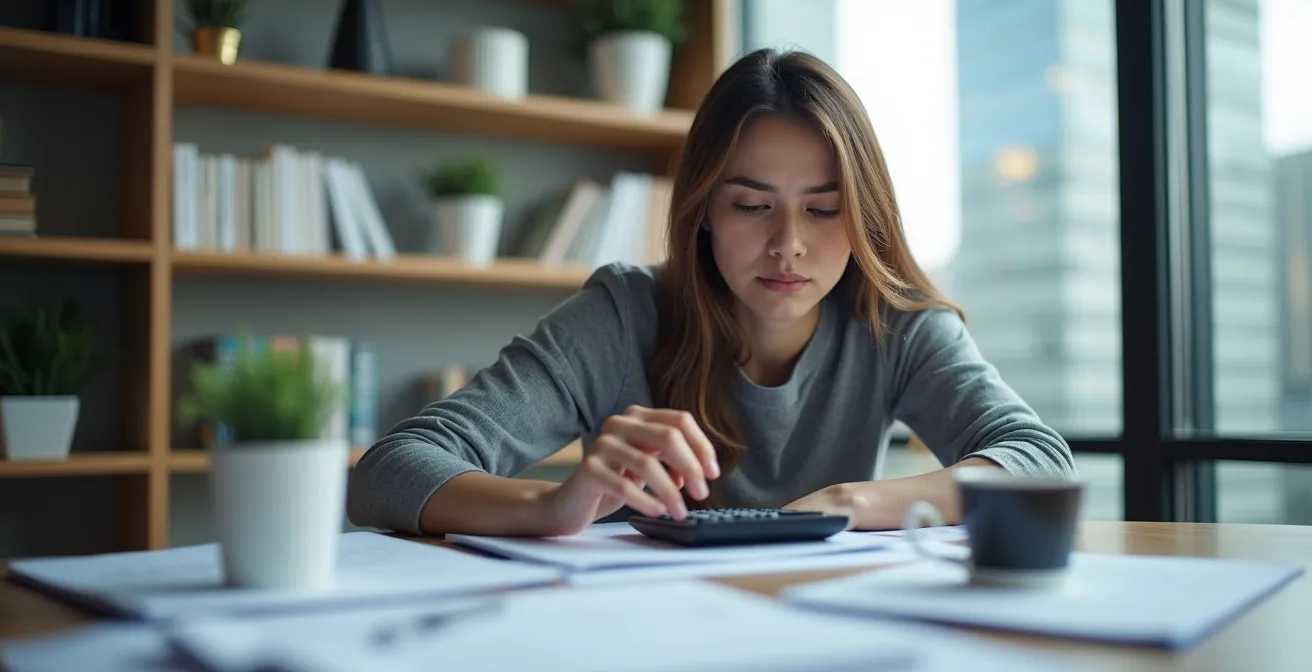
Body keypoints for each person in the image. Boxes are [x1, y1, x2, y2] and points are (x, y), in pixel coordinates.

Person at [346, 48, 1075, 538]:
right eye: (752, 205)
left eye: (824, 209)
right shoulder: (624, 313)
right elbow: (387, 473)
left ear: (864, 219)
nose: (788, 242)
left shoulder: (896, 323)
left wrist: (850, 502)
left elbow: (1040, 458)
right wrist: (550, 505)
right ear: (702, 213)